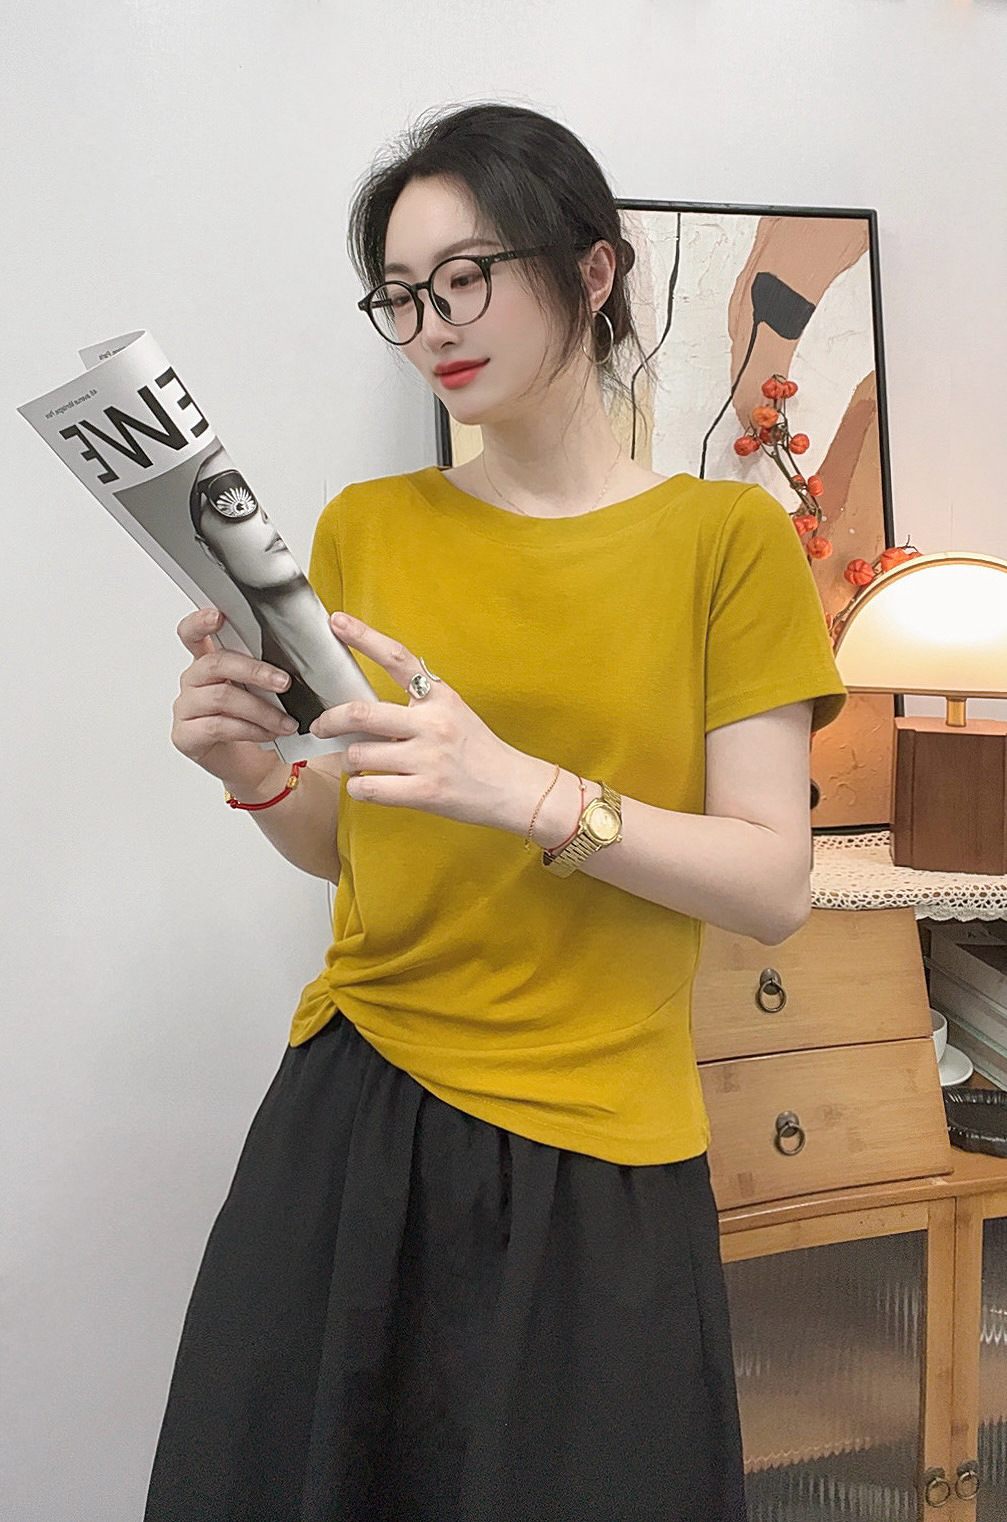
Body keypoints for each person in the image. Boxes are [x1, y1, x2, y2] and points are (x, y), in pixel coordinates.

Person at [146, 102, 847, 1522]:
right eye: (401, 295)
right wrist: (255, 772)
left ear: (591, 271)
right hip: (356, 1111)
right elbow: (355, 843)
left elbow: (771, 881)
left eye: (465, 277)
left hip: (598, 1152)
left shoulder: (723, 542)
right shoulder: (363, 527)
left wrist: (523, 790)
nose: (431, 326)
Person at [188, 445, 377, 732]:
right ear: (209, 549)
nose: (262, 518)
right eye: (229, 500)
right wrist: (247, 760)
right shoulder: (350, 521)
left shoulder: (363, 522)